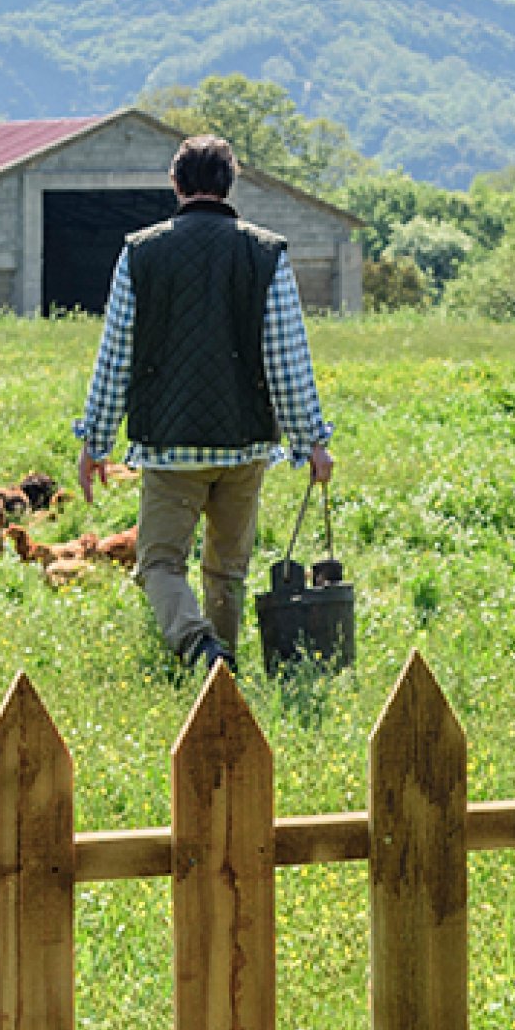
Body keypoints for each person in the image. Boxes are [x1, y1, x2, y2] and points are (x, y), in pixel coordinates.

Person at [75, 133, 336, 671]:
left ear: (175, 184)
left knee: (158, 564)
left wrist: (95, 443)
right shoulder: (267, 254)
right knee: (227, 570)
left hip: (170, 449)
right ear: (230, 182)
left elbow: (115, 356)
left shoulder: (139, 254)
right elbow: (286, 359)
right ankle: (223, 676)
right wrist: (310, 442)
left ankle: (198, 650)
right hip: (245, 444)